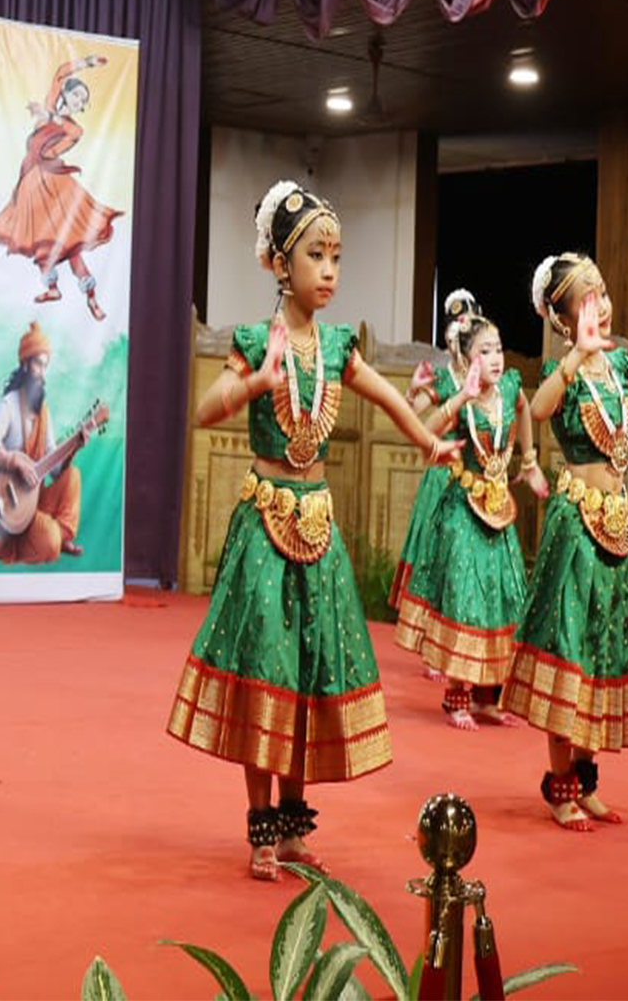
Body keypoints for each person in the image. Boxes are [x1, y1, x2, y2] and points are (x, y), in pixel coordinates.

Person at [166, 180, 460, 882]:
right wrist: (256, 382)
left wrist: (425, 440)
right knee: (266, 667)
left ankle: (294, 828)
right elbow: (205, 411)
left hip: (319, 529)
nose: (329, 271)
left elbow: (388, 394)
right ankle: (261, 829)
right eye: (315, 257)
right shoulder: (252, 342)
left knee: (306, 672)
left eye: (336, 257)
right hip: (266, 526)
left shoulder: (334, 345)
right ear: (277, 264)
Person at [502, 252, 628, 830]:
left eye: (604, 293)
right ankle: (560, 786)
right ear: (564, 319)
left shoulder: (618, 370)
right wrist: (575, 357)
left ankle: (586, 781)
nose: (603, 306)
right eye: (589, 300)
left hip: (616, 522)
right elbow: (537, 411)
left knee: (607, 645)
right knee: (571, 647)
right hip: (576, 526)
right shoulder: (566, 370)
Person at [393, 308, 549, 728]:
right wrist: (460, 396)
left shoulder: (510, 386)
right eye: (485, 351)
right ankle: (457, 696)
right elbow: (426, 428)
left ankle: (487, 698)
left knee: (502, 599)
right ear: (466, 357)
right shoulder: (460, 393)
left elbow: (525, 409)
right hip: (462, 510)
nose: (496, 358)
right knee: (466, 599)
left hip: (498, 510)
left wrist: (530, 460)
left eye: (498, 349)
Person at [0, 55, 123, 321]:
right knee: (48, 240)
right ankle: (56, 289)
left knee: (69, 242)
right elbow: (60, 73)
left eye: (83, 101)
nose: (80, 102)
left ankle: (89, 298)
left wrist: (48, 115)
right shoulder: (52, 104)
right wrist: (87, 62)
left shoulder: (74, 128)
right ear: (66, 93)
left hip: (54, 184)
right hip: (33, 182)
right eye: (77, 95)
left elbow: (63, 130)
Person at [387, 290, 475, 623]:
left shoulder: (485, 377)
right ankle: (431, 635)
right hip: (443, 477)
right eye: (456, 329)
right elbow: (411, 419)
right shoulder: (444, 379)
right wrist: (411, 392)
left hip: (477, 477)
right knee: (438, 555)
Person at [0, 322, 86, 564]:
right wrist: (13, 460)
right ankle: (53, 538)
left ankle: (61, 536)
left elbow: (55, 468)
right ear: (25, 365)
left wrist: (73, 448)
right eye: (38, 364)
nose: (42, 372)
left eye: (46, 365)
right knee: (49, 545)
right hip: (14, 509)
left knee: (73, 476)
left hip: (35, 501)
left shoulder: (44, 412)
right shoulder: (10, 403)